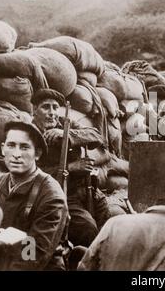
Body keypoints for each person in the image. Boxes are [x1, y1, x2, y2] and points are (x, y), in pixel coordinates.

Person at [31, 88, 115, 247]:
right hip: (61, 194)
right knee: (88, 230)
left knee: (109, 226)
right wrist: (71, 167)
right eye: (45, 107)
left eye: (55, 107)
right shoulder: (30, 135)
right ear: (34, 110)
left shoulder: (64, 123)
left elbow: (96, 136)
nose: (52, 112)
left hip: (87, 190)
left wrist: (66, 134)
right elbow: (33, 175)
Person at [0, 121, 69, 270]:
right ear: (2, 149)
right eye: (11, 145)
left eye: (24, 147)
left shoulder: (50, 194)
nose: (16, 154)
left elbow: (34, 254)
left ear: (37, 154)